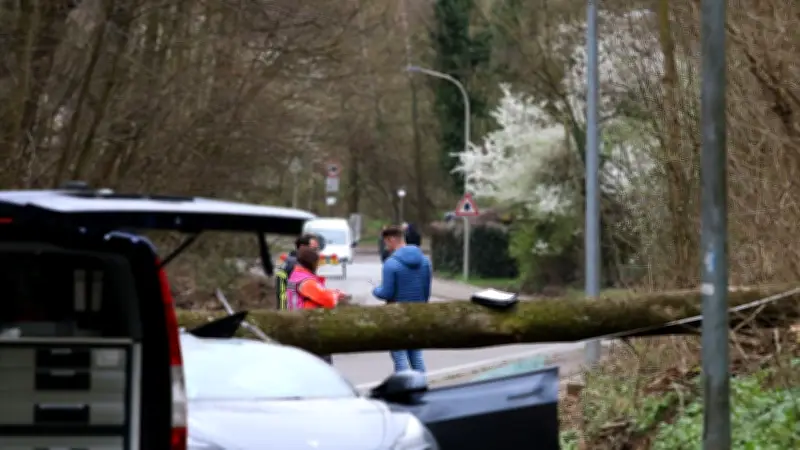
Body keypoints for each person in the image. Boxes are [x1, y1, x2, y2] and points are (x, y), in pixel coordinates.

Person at [372, 225, 432, 373]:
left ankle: (404, 387)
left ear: (391, 240)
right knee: (416, 354)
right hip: (418, 313)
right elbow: (426, 291)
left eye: (386, 242)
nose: (386, 247)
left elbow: (387, 292)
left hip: (397, 314)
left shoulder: (391, 264)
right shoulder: (425, 262)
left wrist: (375, 290)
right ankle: (421, 385)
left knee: (399, 355)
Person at [286, 246, 347, 364]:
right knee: (322, 367)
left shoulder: (296, 277)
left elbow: (320, 294)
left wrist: (334, 292)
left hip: (299, 325)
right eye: (317, 263)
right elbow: (328, 300)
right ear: (311, 263)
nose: (319, 266)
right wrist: (336, 295)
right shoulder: (306, 281)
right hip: (311, 329)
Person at [275, 234, 320, 310]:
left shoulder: (291, 260)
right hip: (295, 309)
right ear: (302, 247)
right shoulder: (296, 264)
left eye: (317, 249)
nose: (316, 252)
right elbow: (289, 289)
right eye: (313, 248)